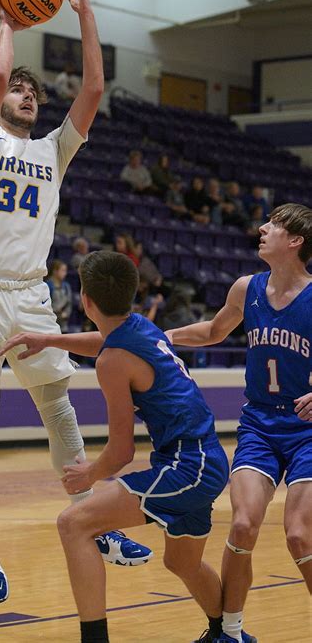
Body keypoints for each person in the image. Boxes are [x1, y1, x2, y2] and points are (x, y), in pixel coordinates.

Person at [0, 0, 151, 607]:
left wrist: (85, 12)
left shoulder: (54, 150)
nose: (27, 93)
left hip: (30, 289)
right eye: (20, 90)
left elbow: (92, 85)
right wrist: (7, 18)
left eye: (35, 91)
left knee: (59, 407)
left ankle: (91, 520)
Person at [0, 250, 230, 643]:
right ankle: (226, 632)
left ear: (85, 300)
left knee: (73, 524)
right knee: (182, 562)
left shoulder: (112, 362)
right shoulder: (139, 327)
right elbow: (105, 342)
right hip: (206, 460)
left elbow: (121, 451)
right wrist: (50, 340)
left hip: (187, 467)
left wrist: (87, 475)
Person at [166, 203, 312, 642]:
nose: (262, 228)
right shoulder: (246, 288)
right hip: (260, 425)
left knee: (299, 536)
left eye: (274, 224)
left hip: (307, 431)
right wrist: (160, 337)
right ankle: (228, 632)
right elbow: (212, 332)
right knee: (244, 525)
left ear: (296, 241)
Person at [46, 260, 73, 333]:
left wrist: (66, 313)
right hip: (50, 322)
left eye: (66, 271)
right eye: (63, 270)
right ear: (55, 271)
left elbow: (69, 303)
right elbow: (45, 305)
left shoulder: (66, 286)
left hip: (63, 323)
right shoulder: (47, 286)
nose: (65, 273)